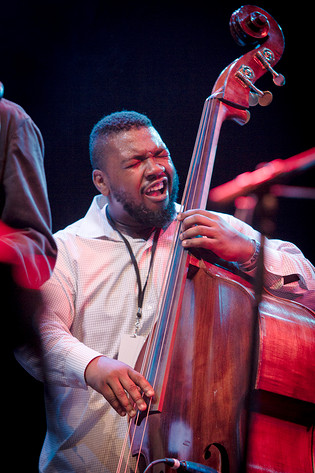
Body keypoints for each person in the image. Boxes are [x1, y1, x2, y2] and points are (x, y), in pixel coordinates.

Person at [17, 111, 315, 473]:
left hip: (192, 457)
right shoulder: (66, 250)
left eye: (161, 155)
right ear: (102, 181)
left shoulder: (209, 231)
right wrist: (91, 365)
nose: (156, 168)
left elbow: (309, 292)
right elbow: (36, 337)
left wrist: (249, 252)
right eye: (136, 162)